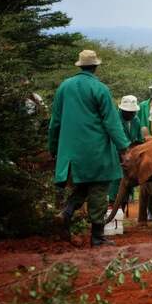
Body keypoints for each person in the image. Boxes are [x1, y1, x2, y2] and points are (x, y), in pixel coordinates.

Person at [49, 50, 130, 247]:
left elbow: (55, 122)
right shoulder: (99, 88)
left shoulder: (64, 88)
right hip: (96, 151)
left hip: (71, 153)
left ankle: (66, 212)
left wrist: (53, 148)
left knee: (83, 186)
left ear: (80, 66)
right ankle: (97, 236)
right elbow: (111, 123)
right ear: (95, 67)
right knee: (99, 190)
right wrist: (123, 148)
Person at [107, 95, 144, 207]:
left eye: (133, 112)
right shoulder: (115, 120)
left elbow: (138, 138)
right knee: (116, 180)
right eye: (128, 112)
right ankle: (112, 202)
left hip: (130, 156)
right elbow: (116, 138)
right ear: (121, 110)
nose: (131, 114)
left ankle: (124, 203)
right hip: (115, 154)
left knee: (129, 181)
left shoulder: (136, 120)